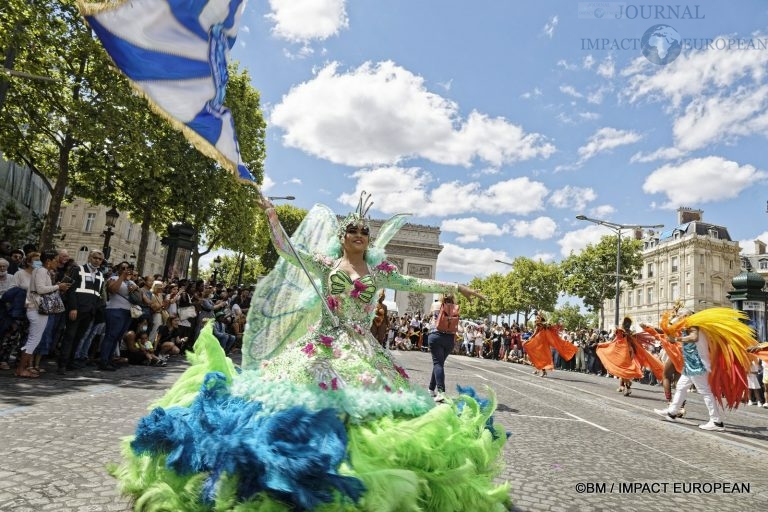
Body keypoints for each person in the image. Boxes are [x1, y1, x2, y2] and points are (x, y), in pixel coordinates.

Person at [114, 195, 509, 511]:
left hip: (362, 347)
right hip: (322, 343)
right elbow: (290, 251)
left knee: (367, 407)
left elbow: (414, 282)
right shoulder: (325, 264)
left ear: (369, 241)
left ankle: (349, 471)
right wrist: (272, 217)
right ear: (341, 237)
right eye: (352, 230)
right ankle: (300, 467)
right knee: (306, 400)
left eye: (364, 232)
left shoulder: (381, 271)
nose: (359, 235)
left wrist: (457, 287)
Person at [653, 307, 756, 431]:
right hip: (692, 364)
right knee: (681, 386)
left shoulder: (693, 324)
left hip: (698, 365)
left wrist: (676, 339)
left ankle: (716, 422)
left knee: (706, 392)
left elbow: (694, 337)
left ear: (687, 315)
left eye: (680, 314)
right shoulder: (691, 324)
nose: (678, 316)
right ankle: (672, 412)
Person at [17, 251, 71, 377]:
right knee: (33, 340)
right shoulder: (41, 270)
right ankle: (21, 369)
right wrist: (58, 287)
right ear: (48, 261)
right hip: (36, 309)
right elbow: (40, 289)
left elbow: (42, 288)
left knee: (34, 339)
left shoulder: (42, 271)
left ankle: (23, 368)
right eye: (56, 259)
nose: (58, 262)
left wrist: (56, 286)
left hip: (38, 309)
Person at [57, 250, 106, 374]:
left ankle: (70, 362)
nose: (97, 260)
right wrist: (73, 308)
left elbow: (99, 294)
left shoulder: (100, 274)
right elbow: (71, 290)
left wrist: (95, 309)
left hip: (89, 312)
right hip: (76, 310)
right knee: (69, 336)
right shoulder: (78, 269)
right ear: (89, 257)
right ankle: (62, 364)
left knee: (78, 337)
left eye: (100, 259)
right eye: (95, 257)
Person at [597, 317, 663, 397]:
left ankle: (627, 387)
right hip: (628, 352)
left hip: (623, 353)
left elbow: (615, 341)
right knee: (624, 371)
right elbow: (624, 342)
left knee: (624, 371)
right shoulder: (629, 333)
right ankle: (626, 387)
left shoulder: (621, 331)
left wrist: (604, 344)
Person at [427, 294, 468, 403]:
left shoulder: (436, 304)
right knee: (439, 363)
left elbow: (429, 316)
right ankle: (431, 389)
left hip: (436, 336)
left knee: (438, 364)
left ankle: (441, 392)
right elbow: (458, 326)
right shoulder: (455, 308)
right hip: (449, 339)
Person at [523, 311, 577, 377]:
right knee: (538, 357)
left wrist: (528, 340)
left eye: (537, 318)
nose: (536, 319)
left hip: (542, 345)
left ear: (540, 319)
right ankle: (539, 369)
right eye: (536, 318)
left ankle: (542, 371)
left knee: (542, 358)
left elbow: (536, 334)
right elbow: (534, 334)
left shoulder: (544, 325)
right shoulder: (540, 325)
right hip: (539, 344)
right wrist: (528, 340)